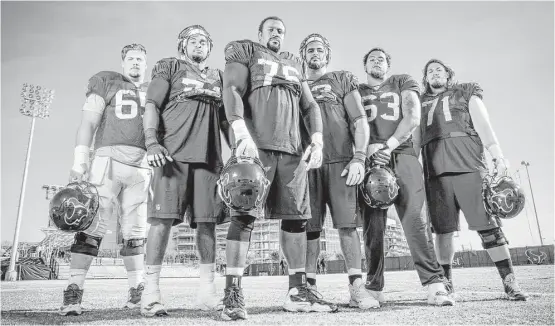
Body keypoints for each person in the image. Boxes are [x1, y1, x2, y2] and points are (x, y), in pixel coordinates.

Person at [220, 16, 335, 320]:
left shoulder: (294, 64)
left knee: (296, 220)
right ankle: (232, 292)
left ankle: (297, 290)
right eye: (271, 29)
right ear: (259, 34)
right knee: (244, 216)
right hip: (256, 148)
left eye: (281, 31)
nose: (276, 34)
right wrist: (240, 131)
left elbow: (310, 106)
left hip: (293, 151)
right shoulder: (247, 51)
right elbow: (230, 88)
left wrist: (318, 139)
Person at [416, 58, 528, 300]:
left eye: (439, 70)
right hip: (435, 174)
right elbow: (414, 138)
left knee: (489, 227)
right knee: (442, 232)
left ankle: (510, 281)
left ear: (448, 75)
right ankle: (446, 284)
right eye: (430, 71)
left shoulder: (465, 92)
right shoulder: (420, 102)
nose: (435, 73)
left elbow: (483, 123)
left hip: (470, 167)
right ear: (425, 79)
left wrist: (497, 154)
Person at [140, 25, 229, 317]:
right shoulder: (170, 66)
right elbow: (152, 103)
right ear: (182, 45)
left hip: (209, 158)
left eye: (204, 41)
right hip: (172, 155)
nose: (199, 45)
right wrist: (151, 142)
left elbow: (227, 120)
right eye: (193, 40)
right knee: (161, 221)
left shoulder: (218, 76)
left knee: (207, 224)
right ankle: (150, 293)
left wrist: (240, 148)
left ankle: (207, 292)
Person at [358, 48, 454, 307]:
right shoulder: (357, 90)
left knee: (414, 218)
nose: (377, 60)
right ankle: (374, 286)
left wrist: (387, 145)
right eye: (372, 58)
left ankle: (435, 283)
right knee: (373, 226)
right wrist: (363, 150)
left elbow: (412, 115)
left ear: (388, 65)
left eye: (382, 58)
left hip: (400, 151)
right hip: (370, 158)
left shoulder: (402, 81)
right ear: (364, 65)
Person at [60, 43, 151, 316]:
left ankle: (137, 292)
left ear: (145, 65)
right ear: (123, 63)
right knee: (91, 227)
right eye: (131, 58)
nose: (135, 63)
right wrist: (80, 160)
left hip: (142, 168)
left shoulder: (153, 90)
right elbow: (88, 122)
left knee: (136, 233)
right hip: (107, 162)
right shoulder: (106, 81)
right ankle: (73, 291)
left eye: (140, 60)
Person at [298, 33, 377, 309]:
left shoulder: (341, 79)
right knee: (309, 229)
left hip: (341, 162)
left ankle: (356, 288)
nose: (315, 53)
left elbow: (359, 120)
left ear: (327, 55)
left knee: (346, 225)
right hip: (308, 164)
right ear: (303, 55)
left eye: (320, 49)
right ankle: (307, 288)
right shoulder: (297, 83)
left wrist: (359, 157)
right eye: (310, 49)